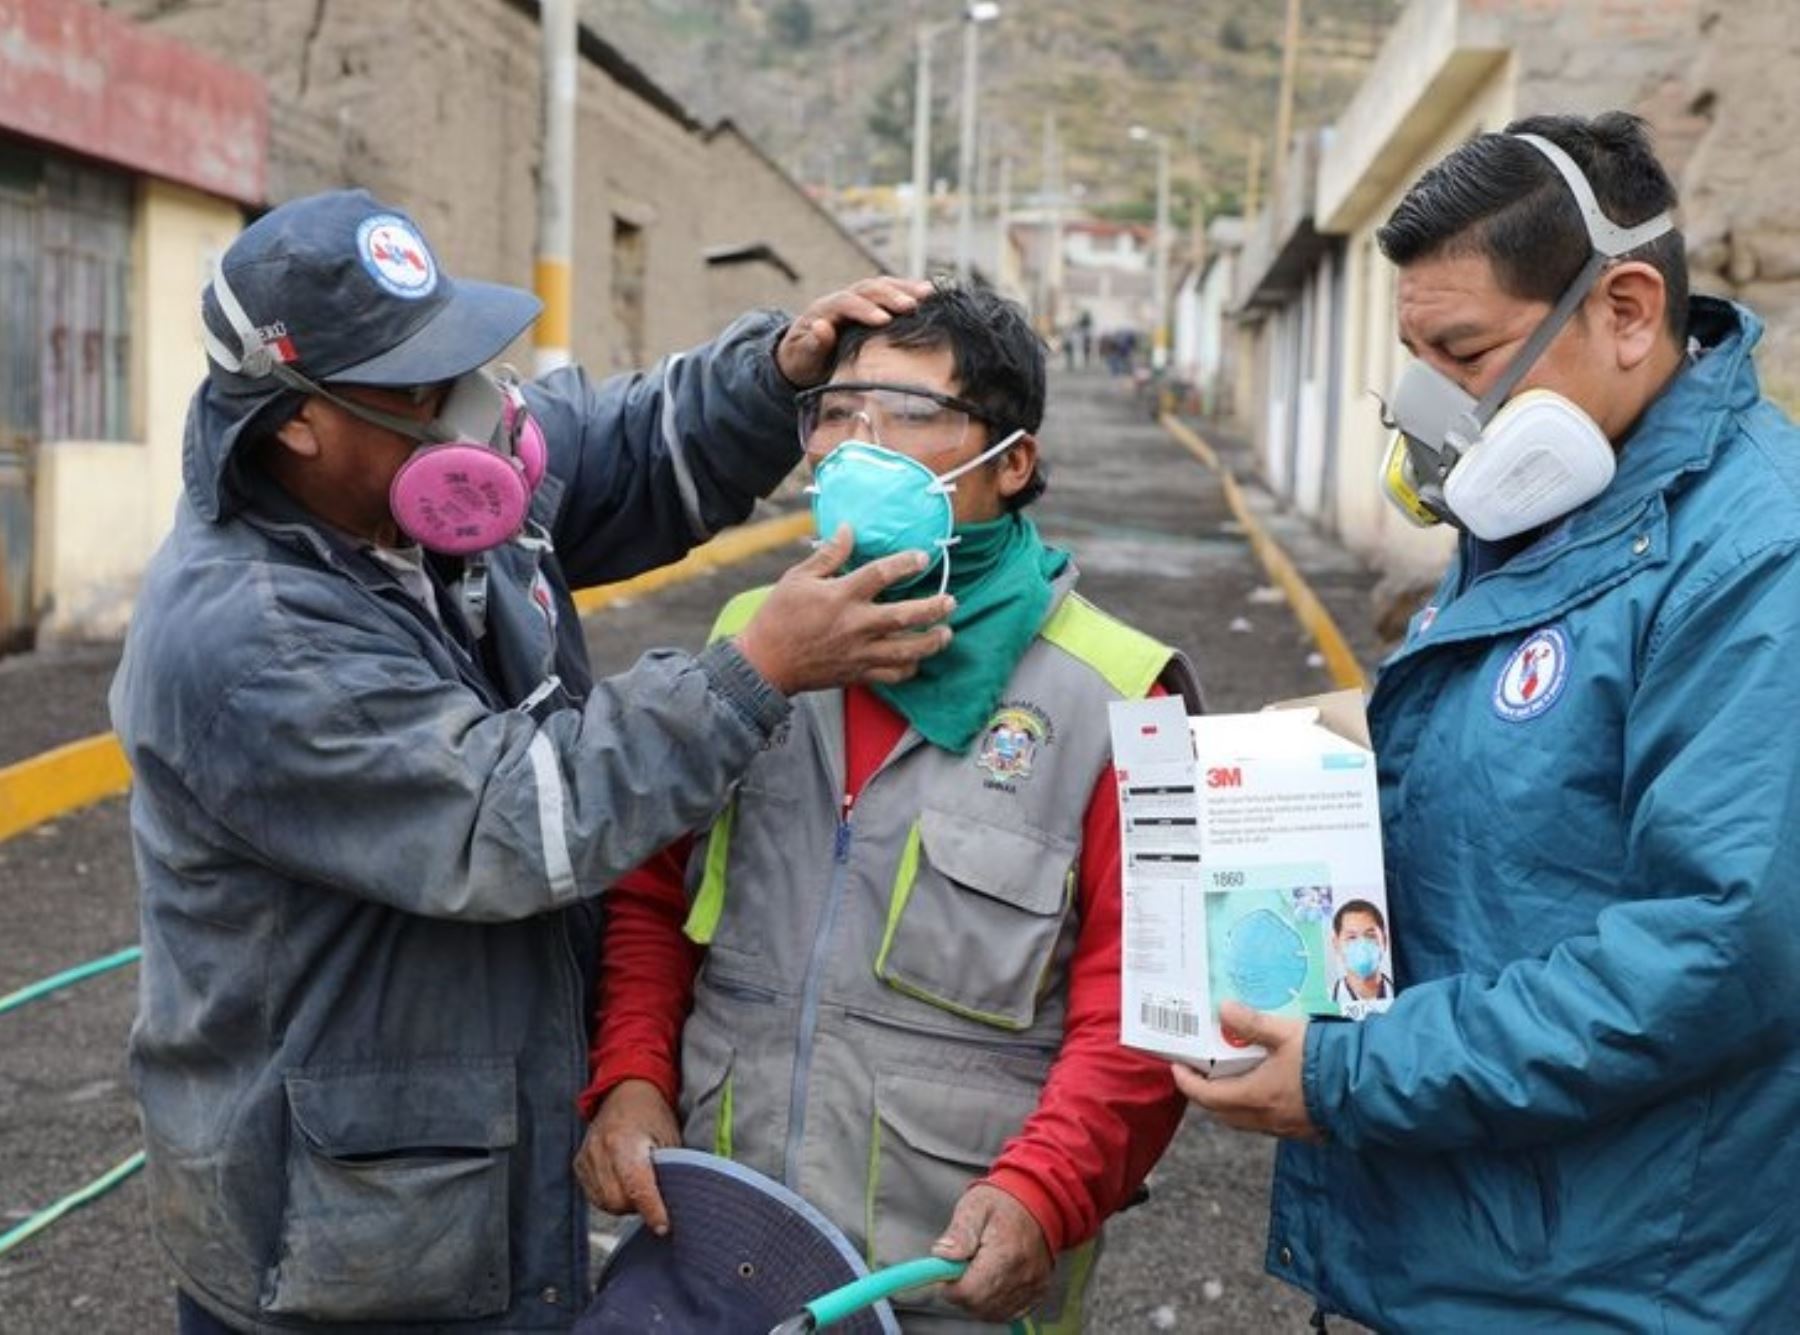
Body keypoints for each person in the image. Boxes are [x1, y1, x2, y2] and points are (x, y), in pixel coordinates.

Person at [108, 189, 958, 1333]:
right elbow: (515, 820)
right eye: (418, 387)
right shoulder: (249, 640)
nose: (471, 413)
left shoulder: (424, 501)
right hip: (344, 1250)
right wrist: (751, 672)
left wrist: (774, 376)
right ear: (297, 420)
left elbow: (620, 447)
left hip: (466, 1183)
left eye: (464, 363)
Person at [1178, 112, 1800, 1328]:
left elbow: (1715, 954)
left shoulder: (1755, 560)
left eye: (1464, 354)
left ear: (1626, 311)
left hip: (1604, 1285)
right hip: (1462, 1243)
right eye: (1418, 357)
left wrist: (1355, 1075)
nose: (1437, 410)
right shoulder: (1558, 511)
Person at [574, 283, 1203, 1332]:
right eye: (833, 415)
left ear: (1012, 462)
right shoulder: (752, 640)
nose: (855, 449)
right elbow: (652, 899)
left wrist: (1043, 1193)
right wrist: (631, 1077)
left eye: (908, 417)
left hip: (942, 1280)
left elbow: (1149, 1010)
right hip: (712, 1250)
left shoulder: (1128, 696)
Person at [1326, 899, 1392, 1008]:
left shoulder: (1404, 996)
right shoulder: (1323, 1002)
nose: (1362, 946)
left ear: (1384, 941)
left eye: (1371, 936)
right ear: (1336, 944)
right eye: (1352, 937)